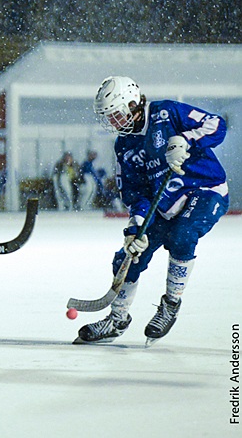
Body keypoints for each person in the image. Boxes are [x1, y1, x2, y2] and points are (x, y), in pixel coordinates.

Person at [76, 76, 228, 345]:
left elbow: (217, 124)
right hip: (164, 204)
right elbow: (135, 192)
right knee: (129, 256)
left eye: (116, 114)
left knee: (182, 235)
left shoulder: (167, 112)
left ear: (133, 104)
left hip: (204, 190)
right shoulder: (124, 145)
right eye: (108, 117)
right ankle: (117, 319)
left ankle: (171, 304)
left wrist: (185, 140)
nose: (113, 122)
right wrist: (135, 228)